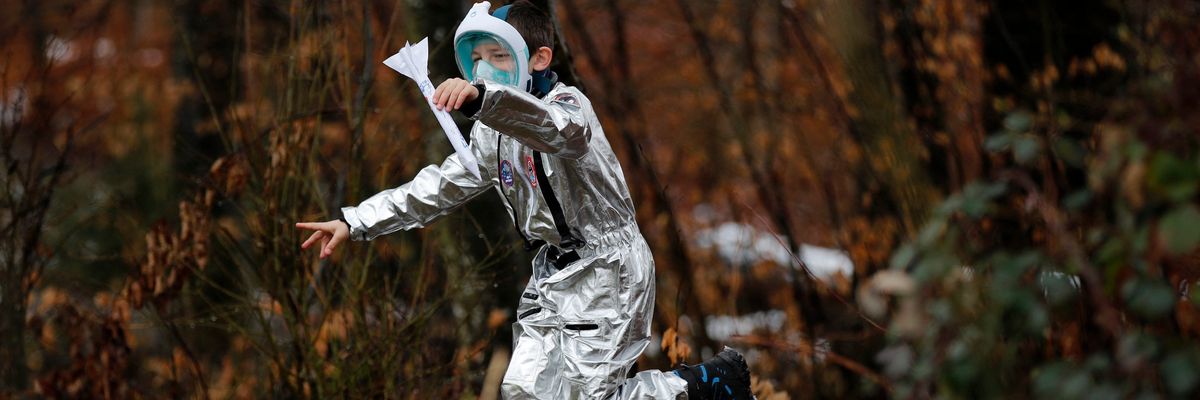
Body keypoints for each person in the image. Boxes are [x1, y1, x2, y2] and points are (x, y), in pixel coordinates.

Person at [295, 1, 752, 398]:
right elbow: (436, 188)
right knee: (525, 390)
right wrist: (354, 222)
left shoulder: (569, 106)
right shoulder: (490, 135)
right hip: (551, 275)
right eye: (477, 59)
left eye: (498, 56)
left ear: (537, 58)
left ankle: (707, 384)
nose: (484, 68)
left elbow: (557, 131)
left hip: (609, 271)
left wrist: (482, 99)